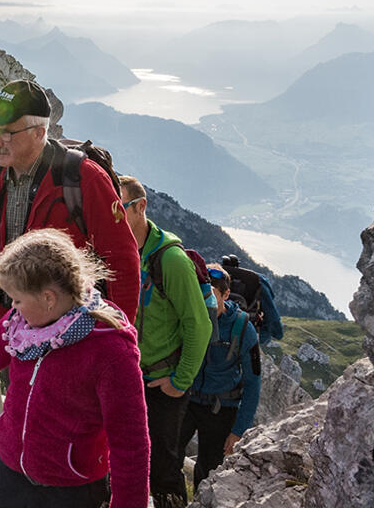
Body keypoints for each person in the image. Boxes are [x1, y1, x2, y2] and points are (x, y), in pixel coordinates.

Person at [0, 229, 149, 508]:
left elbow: (130, 442)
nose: (13, 307)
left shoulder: (110, 351)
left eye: (17, 299)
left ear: (48, 298)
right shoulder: (23, 325)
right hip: (12, 470)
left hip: (70, 488)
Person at [0, 79, 140, 322]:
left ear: (39, 133)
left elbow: (122, 260)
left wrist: (120, 332)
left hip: (70, 330)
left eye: (7, 132)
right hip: (13, 326)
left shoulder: (83, 178)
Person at [115, 175, 212, 508]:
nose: (113, 215)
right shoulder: (116, 250)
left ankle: (170, 501)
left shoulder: (170, 260)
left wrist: (180, 381)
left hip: (160, 379)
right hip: (126, 374)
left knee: (164, 459)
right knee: (123, 452)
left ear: (141, 206)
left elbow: (198, 325)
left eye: (119, 207)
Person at [178, 265, 279, 487]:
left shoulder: (242, 328)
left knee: (209, 471)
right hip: (186, 399)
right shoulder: (189, 315)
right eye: (201, 294)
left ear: (226, 294)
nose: (206, 302)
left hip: (221, 408)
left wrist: (238, 430)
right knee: (166, 458)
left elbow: (253, 383)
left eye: (212, 296)